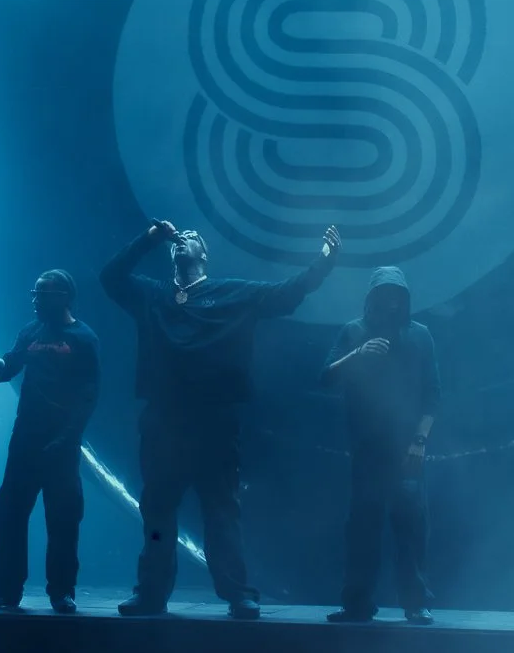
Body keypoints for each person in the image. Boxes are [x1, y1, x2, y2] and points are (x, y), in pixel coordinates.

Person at [101, 216, 340, 619]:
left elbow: (289, 292)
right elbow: (110, 277)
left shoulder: (231, 293)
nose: (182, 240)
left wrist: (325, 261)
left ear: (204, 255)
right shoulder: (152, 296)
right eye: (179, 238)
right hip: (163, 421)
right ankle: (151, 593)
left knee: (221, 509)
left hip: (214, 420)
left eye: (192, 237)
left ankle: (238, 592)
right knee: (158, 510)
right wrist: (148, 238)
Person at [0, 269, 101, 615]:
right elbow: (14, 359)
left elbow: (90, 394)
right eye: (34, 292)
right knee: (7, 515)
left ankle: (62, 592)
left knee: (62, 519)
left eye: (42, 293)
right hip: (25, 441)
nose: (34, 299)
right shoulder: (31, 331)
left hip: (61, 445)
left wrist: (69, 437)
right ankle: (6, 590)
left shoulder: (83, 338)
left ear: (64, 296)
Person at [322, 265, 439, 625]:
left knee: (411, 526)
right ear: (371, 298)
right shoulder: (353, 331)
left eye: (397, 295)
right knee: (362, 528)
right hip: (367, 450)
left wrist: (419, 440)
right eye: (384, 294)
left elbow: (432, 396)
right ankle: (357, 603)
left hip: (406, 451)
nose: (391, 302)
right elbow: (325, 378)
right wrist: (357, 355)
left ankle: (415, 603)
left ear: (404, 299)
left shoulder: (420, 335)